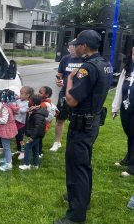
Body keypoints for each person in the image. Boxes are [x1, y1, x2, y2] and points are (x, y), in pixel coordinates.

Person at [54, 30, 111, 224]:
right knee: (84, 164)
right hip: (92, 122)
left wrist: (70, 80)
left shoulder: (86, 69)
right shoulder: (104, 64)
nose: (74, 47)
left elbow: (71, 100)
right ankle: (81, 200)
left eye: (77, 44)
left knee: (76, 167)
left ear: (84, 46)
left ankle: (76, 216)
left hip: (81, 125)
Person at [50, 39, 83, 152]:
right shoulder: (65, 59)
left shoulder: (85, 60)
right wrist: (58, 81)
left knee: (76, 120)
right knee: (60, 119)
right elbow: (59, 75)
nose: (72, 51)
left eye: (74, 49)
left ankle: (75, 144)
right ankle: (57, 142)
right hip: (64, 93)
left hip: (79, 93)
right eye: (70, 49)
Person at [112, 46, 134, 177]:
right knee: (130, 134)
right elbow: (120, 88)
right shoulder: (127, 70)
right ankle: (129, 158)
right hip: (126, 108)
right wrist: (115, 107)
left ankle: (132, 166)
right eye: (133, 54)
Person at [19, 94, 48, 170]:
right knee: (35, 149)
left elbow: (37, 127)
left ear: (33, 103)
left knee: (26, 147)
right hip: (35, 135)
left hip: (34, 135)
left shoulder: (38, 114)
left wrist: (32, 137)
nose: (28, 101)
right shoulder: (34, 110)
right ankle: (35, 165)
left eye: (30, 100)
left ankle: (26, 165)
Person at [0, 89, 19, 172]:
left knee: (6, 147)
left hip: (5, 130)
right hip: (10, 128)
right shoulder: (12, 105)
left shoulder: (5, 107)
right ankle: (6, 158)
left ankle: (8, 164)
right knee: (6, 146)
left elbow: (4, 120)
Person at [15, 86, 34, 160]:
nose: (20, 95)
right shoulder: (19, 101)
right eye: (20, 93)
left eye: (21, 93)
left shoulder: (28, 103)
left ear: (27, 95)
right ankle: (19, 150)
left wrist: (16, 108)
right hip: (16, 122)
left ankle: (23, 152)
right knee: (17, 137)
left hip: (22, 124)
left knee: (20, 138)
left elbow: (23, 111)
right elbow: (13, 104)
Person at [38, 86, 55, 157]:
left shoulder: (44, 104)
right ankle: (38, 151)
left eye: (40, 92)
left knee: (38, 139)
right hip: (43, 124)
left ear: (47, 95)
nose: (38, 94)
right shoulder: (47, 103)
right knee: (38, 139)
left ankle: (39, 152)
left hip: (42, 125)